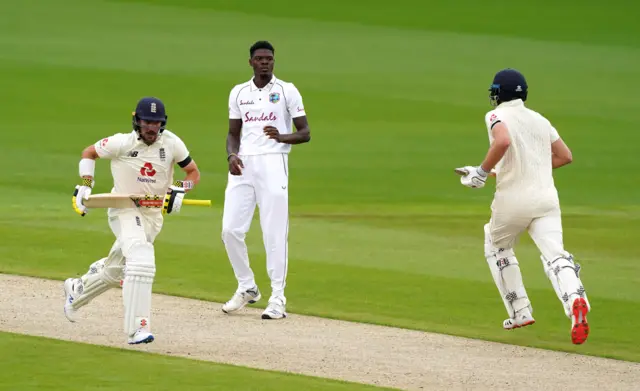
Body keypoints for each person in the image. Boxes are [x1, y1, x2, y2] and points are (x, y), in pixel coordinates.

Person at [455, 68, 591, 345]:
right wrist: (497, 171)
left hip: (513, 200)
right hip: (546, 199)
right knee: (555, 254)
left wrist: (481, 172)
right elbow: (565, 156)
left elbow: (503, 140)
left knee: (496, 245)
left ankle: (520, 311)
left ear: (499, 93)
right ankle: (576, 299)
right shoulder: (540, 120)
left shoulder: (496, 115)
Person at [63, 97, 201, 344]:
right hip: (123, 207)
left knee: (117, 270)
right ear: (137, 121)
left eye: (156, 123)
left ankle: (78, 291)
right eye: (147, 122)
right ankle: (137, 328)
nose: (152, 128)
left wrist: (179, 188)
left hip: (152, 214)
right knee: (141, 259)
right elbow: (89, 152)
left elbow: (193, 173)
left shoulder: (172, 143)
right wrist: (85, 184)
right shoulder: (121, 143)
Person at [221, 40, 311, 320]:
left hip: (274, 163)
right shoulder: (238, 92)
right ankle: (247, 287)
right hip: (244, 164)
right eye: (259, 59)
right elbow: (233, 132)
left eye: (269, 59)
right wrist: (231, 156)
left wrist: (281, 137)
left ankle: (278, 298)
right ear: (251, 62)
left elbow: (305, 132)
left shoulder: (287, 91)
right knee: (230, 231)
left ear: (274, 62)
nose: (264, 63)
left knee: (273, 232)